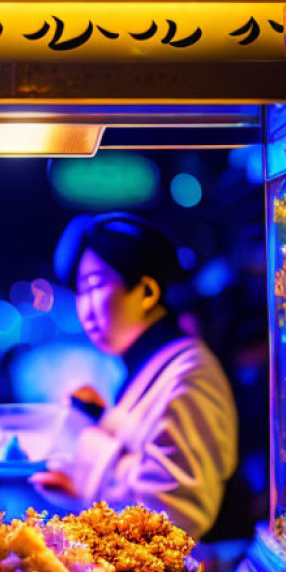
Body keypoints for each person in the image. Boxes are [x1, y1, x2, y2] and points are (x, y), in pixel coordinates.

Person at [29, 212, 239, 538]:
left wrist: (90, 441)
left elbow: (176, 516)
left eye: (95, 285)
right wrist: (79, 485)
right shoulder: (154, 366)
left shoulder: (189, 374)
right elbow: (140, 463)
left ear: (147, 292)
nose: (85, 309)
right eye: (80, 293)